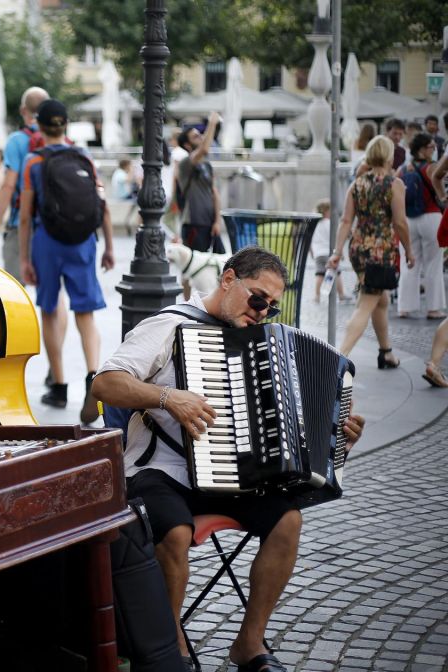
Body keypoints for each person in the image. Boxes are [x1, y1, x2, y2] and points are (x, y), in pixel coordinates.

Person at [90, 245, 366, 672]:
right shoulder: (168, 325)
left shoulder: (265, 344)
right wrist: (167, 397)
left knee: (287, 521)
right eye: (258, 297)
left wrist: (335, 438)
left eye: (271, 307)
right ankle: (170, 648)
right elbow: (105, 384)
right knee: (177, 532)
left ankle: (249, 643)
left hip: (233, 473)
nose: (262, 312)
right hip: (161, 470)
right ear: (228, 279)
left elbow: (291, 435)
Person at [18, 99, 113, 422]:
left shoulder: (33, 162)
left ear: (39, 126)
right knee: (85, 313)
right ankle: (92, 374)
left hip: (48, 241)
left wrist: (24, 258)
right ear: (66, 126)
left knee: (49, 310)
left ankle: (58, 385)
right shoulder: (84, 157)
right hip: (83, 241)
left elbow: (25, 216)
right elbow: (104, 207)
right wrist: (110, 247)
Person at [328, 135, 415, 366]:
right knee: (367, 301)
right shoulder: (394, 184)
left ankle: (385, 352)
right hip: (380, 251)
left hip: (358, 248)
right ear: (388, 156)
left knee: (381, 299)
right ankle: (337, 359)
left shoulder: (357, 183)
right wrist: (409, 250)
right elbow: (400, 223)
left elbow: (346, 220)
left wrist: (337, 251)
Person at [0, 86, 49, 281]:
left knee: (15, 290)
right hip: (52, 226)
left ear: (23, 111)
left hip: (21, 223)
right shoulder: (56, 137)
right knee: (53, 296)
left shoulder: (16, 140)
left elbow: (9, 185)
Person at [396, 133, 446, 320]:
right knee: (433, 265)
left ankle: (405, 308)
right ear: (423, 149)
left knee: (408, 262)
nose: (434, 150)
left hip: (408, 219)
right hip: (431, 217)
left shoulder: (403, 170)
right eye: (432, 147)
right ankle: (433, 309)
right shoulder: (432, 167)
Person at [176, 111, 223, 255]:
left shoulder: (206, 164)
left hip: (208, 223)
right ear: (187, 145)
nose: (201, 137)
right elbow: (204, 149)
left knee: (214, 263)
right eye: (196, 136)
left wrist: (217, 220)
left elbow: (214, 192)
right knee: (191, 267)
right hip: (193, 223)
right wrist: (212, 123)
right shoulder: (185, 163)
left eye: (200, 134)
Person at [308, 199, 351, 303]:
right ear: (326, 211)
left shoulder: (315, 224)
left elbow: (310, 239)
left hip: (318, 253)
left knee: (319, 274)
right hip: (329, 253)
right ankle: (341, 294)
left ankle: (317, 296)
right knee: (336, 273)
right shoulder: (329, 223)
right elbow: (336, 238)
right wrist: (339, 252)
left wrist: (312, 252)